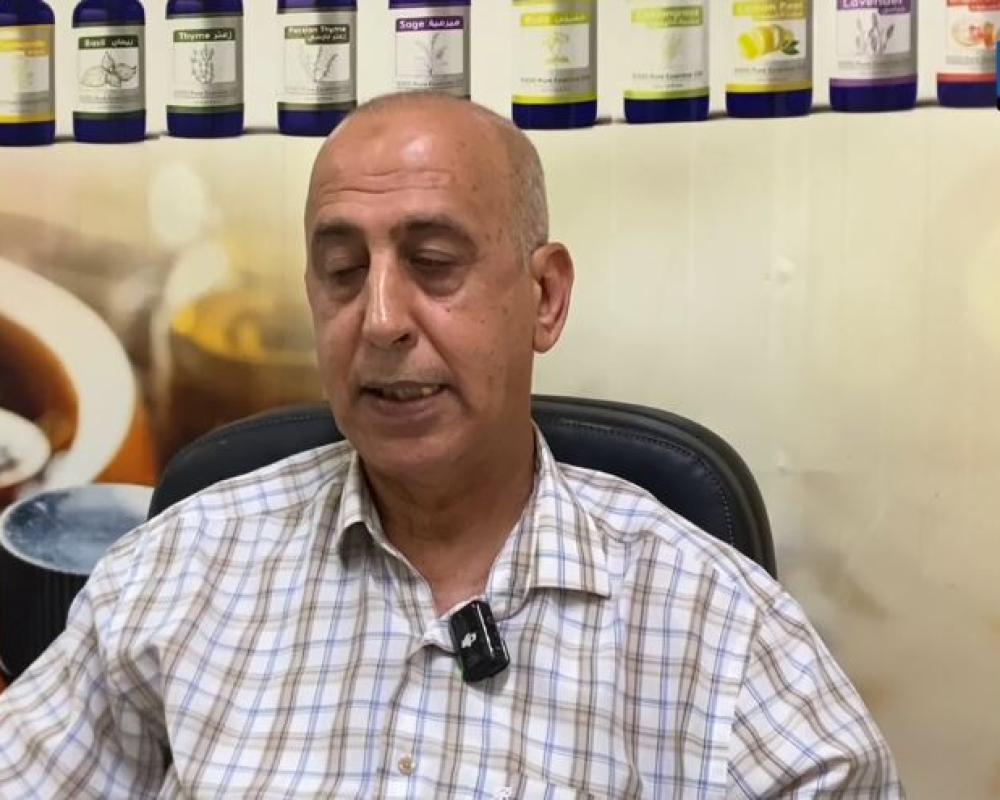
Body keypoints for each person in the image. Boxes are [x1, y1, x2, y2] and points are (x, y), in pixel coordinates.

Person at [0, 93, 904, 798]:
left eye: (434, 264)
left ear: (544, 297)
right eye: (343, 272)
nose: (381, 320)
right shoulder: (176, 574)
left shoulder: (721, 633)